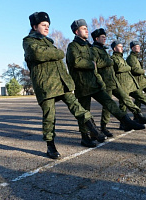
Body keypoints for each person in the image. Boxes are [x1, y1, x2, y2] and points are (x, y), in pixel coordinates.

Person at [23, 12, 107, 159]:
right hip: (46, 85)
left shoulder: (49, 42)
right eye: (44, 25)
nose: (47, 28)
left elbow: (58, 63)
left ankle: (93, 129)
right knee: (50, 116)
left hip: (61, 82)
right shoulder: (29, 41)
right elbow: (38, 54)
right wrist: (59, 52)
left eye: (48, 25)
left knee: (77, 107)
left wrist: (68, 81)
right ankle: (50, 146)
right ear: (35, 26)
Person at [66, 19, 145, 138]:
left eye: (86, 28)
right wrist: (92, 64)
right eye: (83, 28)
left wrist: (99, 80)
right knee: (85, 111)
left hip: (94, 83)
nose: (86, 30)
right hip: (82, 85)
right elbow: (77, 62)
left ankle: (126, 120)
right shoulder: (73, 46)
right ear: (76, 31)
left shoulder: (88, 46)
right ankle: (85, 136)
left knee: (109, 102)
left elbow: (95, 68)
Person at [90, 28, 146, 137]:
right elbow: (95, 65)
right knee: (107, 106)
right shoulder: (94, 50)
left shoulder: (103, 49)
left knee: (126, 98)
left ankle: (137, 115)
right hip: (105, 82)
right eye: (102, 37)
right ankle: (103, 127)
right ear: (96, 38)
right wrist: (107, 63)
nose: (105, 38)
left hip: (113, 81)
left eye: (105, 37)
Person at [111, 41, 146, 121]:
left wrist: (128, 68)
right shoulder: (113, 58)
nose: (122, 48)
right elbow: (119, 68)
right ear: (114, 48)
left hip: (131, 84)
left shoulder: (122, 58)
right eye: (119, 46)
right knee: (123, 104)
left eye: (122, 46)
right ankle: (124, 122)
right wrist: (129, 68)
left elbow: (125, 68)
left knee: (142, 98)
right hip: (122, 85)